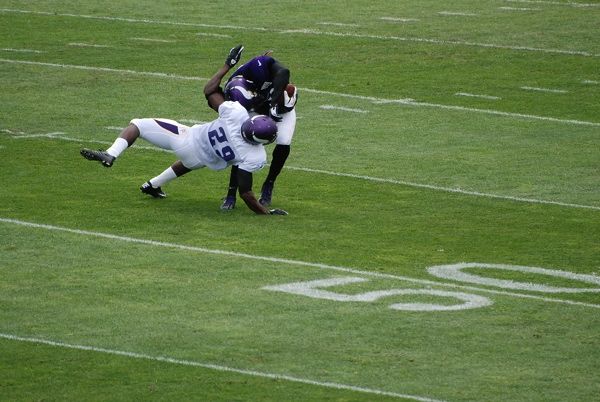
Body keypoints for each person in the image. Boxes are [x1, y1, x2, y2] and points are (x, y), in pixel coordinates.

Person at [79, 48, 288, 215]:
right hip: (202, 160)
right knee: (190, 161)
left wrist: (227, 65)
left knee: (138, 125)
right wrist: (265, 212)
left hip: (187, 139)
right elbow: (247, 194)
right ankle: (153, 185)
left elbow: (209, 91)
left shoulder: (236, 114)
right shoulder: (255, 155)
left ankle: (111, 154)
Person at [212, 45, 298, 210]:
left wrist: (274, 103)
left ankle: (269, 184)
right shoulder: (237, 94)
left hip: (275, 105)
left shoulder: (264, 68)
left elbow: (284, 72)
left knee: (284, 142)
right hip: (252, 109)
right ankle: (231, 194)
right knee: (243, 145)